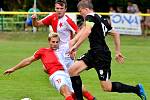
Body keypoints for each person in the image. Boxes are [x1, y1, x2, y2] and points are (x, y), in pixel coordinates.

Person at [68, 1, 147, 100]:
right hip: (93, 53)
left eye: (80, 11)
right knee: (72, 71)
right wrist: (117, 51)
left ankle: (136, 89)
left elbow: (87, 31)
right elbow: (115, 33)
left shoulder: (90, 16)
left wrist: (76, 46)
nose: (81, 14)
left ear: (86, 9)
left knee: (107, 87)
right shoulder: (100, 18)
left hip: (101, 55)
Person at [32, 0, 95, 100]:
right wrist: (34, 20)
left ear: (65, 9)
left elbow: (78, 32)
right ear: (55, 8)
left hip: (66, 54)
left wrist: (74, 48)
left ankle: (86, 97)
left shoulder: (68, 20)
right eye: (57, 8)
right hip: (56, 53)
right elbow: (36, 24)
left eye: (61, 8)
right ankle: (86, 97)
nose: (59, 10)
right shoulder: (52, 17)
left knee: (69, 79)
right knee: (66, 78)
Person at [4, 32, 75, 100]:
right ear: (49, 42)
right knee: (66, 93)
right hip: (56, 75)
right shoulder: (43, 51)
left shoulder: (62, 50)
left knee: (75, 94)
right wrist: (14, 68)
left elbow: (75, 41)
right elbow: (28, 60)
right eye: (53, 42)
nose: (55, 44)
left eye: (57, 42)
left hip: (67, 75)